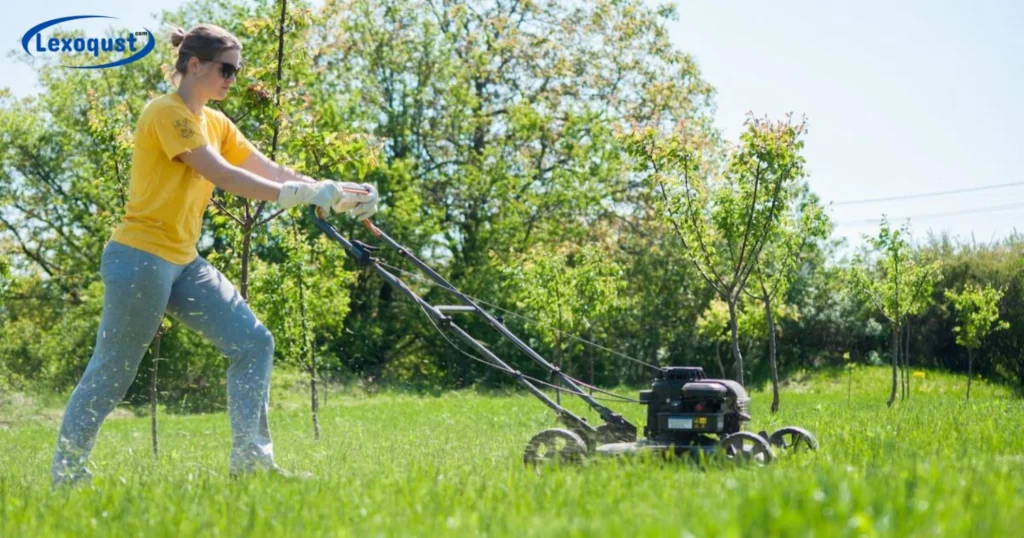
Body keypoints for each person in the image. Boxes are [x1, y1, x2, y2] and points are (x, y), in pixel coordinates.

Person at [50, 23, 378, 487]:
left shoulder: (217, 122)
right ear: (194, 64)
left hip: (183, 261)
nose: (232, 79)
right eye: (226, 69)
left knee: (253, 342)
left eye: (236, 71)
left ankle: (252, 464)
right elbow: (221, 174)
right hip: (139, 257)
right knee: (113, 371)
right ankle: (67, 478)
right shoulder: (166, 112)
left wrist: (338, 191)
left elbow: (270, 170)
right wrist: (300, 194)